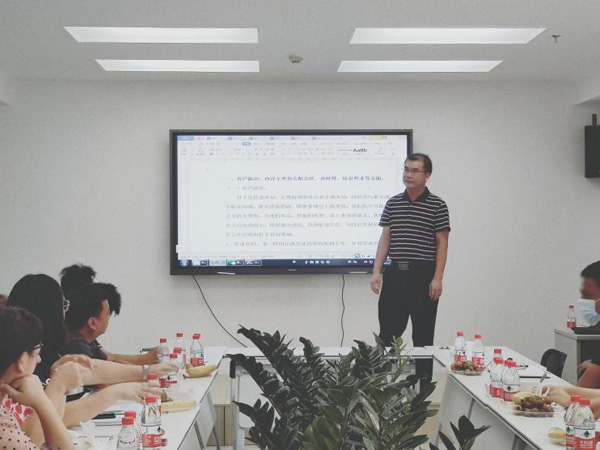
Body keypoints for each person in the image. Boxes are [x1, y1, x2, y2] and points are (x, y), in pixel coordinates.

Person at [7, 274, 173, 431]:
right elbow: (43, 426)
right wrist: (116, 391)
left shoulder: (46, 350)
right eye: (63, 306)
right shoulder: (22, 363)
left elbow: (90, 370)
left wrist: (146, 371)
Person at [370, 153, 450, 380]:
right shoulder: (393, 202)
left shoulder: (437, 205)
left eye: (415, 171)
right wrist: (377, 271)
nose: (409, 175)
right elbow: (385, 238)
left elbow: (442, 243)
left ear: (427, 175)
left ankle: (422, 390)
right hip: (396, 274)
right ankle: (382, 386)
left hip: (423, 276)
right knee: (388, 334)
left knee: (423, 337)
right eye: (406, 169)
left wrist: (437, 278)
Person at [0, 307, 80, 450]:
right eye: (37, 352)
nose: (39, 360)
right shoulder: (5, 431)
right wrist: (43, 402)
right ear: (22, 361)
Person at [60, 264, 158, 365]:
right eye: (107, 314)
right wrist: (146, 365)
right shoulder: (75, 344)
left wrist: (146, 365)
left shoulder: (86, 339)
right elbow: (103, 368)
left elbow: (110, 360)